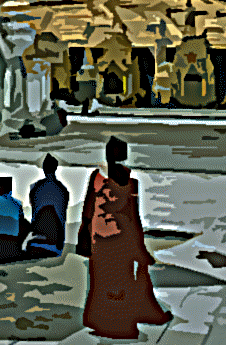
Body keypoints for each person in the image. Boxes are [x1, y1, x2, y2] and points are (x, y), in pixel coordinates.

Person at [77, 136, 172, 339]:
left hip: (99, 237)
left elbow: (87, 210)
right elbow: (132, 216)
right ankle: (124, 320)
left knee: (103, 281)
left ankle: (105, 320)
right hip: (121, 239)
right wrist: (140, 247)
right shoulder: (130, 181)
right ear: (124, 155)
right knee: (124, 280)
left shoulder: (96, 177)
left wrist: (83, 233)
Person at [27, 153, 69, 258]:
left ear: (43, 168)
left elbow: (34, 211)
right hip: (56, 245)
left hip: (36, 241)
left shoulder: (34, 187)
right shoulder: (63, 189)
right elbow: (63, 218)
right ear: (55, 168)